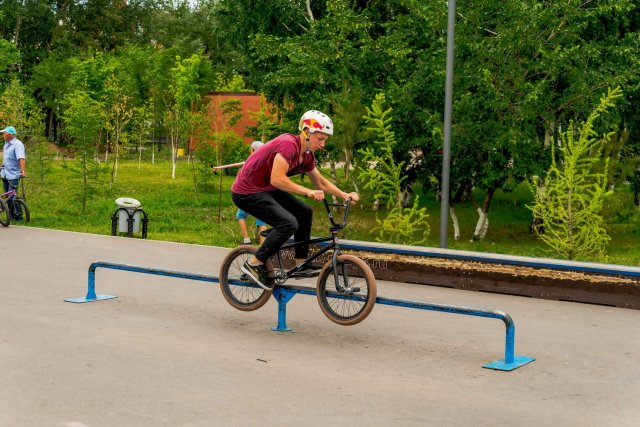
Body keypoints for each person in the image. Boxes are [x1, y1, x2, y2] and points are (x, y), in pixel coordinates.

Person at [231, 110, 359, 289]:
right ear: (306, 132)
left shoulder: (307, 156)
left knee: (304, 212)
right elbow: (277, 178)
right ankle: (254, 264)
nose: (322, 144)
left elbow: (320, 182)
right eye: (320, 139)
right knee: (288, 223)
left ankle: (300, 263)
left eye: (325, 140)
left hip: (267, 189)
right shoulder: (288, 145)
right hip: (247, 191)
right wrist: (307, 191)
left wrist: (345, 195)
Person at [237, 141, 268, 244]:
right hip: (264, 195)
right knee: (262, 220)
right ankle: (263, 248)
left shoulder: (251, 163)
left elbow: (243, 180)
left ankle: (246, 240)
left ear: (252, 150)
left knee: (240, 215)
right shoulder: (266, 162)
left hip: (251, 196)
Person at [1, 126, 26, 221]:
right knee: (8, 196)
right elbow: (6, 159)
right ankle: (10, 216)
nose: (3, 135)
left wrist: (22, 171)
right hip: (5, 174)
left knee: (12, 196)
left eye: (4, 133)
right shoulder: (6, 144)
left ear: (9, 134)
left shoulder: (17, 144)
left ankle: (19, 216)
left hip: (13, 174)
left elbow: (21, 158)